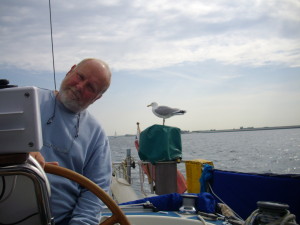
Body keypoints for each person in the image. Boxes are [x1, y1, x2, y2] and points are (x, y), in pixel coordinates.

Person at [30, 58, 112, 225]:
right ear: (70, 71)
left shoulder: (97, 135)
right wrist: (19, 153)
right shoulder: (26, 100)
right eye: (80, 77)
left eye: (91, 87)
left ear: (97, 98)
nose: (80, 87)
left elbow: (94, 194)